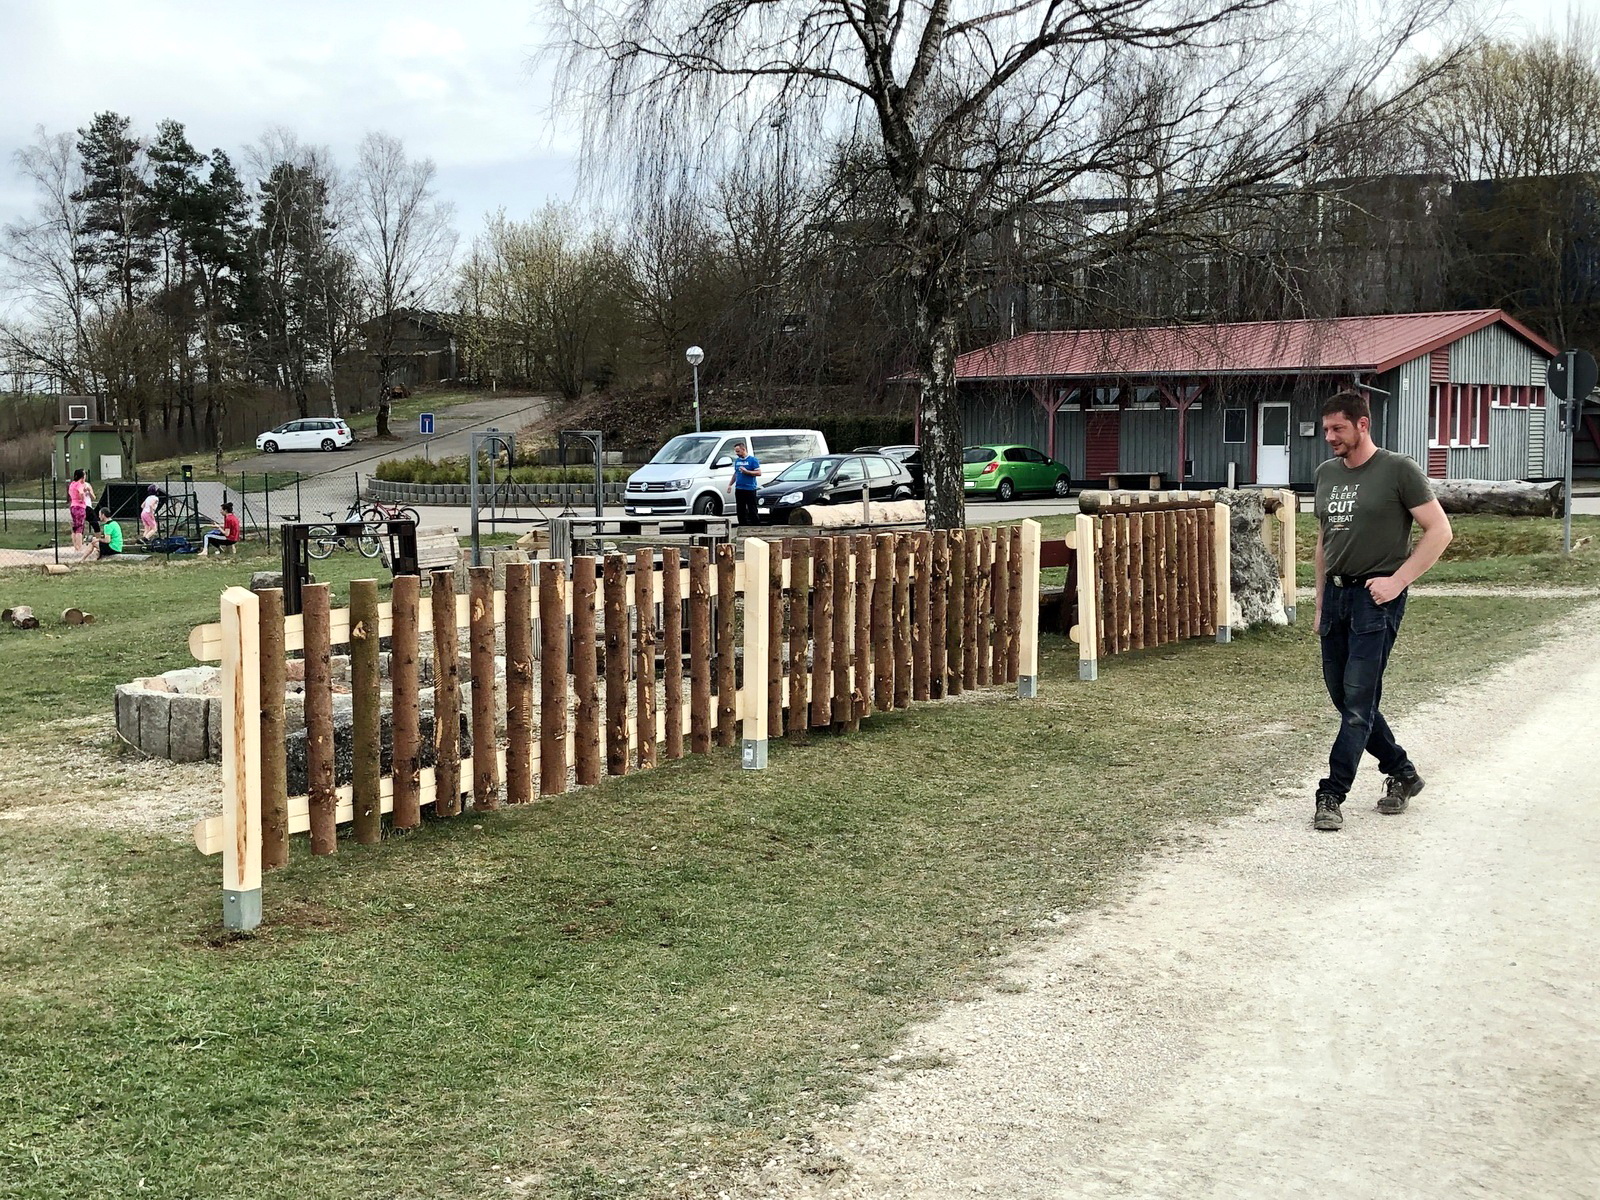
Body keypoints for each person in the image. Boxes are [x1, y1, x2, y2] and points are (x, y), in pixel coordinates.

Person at [1312, 390, 1453, 832]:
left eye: (1338, 429)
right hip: (1336, 599)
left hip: (1376, 600)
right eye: (1326, 430)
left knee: (1357, 704)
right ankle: (1403, 773)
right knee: (1346, 698)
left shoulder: (1398, 470)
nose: (1330, 437)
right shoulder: (1326, 473)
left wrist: (1398, 581)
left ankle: (1331, 794)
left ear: (1362, 424)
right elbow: (1323, 542)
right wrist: (1318, 602)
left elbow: (1440, 531)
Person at [731, 440, 762, 525]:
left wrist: (747, 472)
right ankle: (742, 526)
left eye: (738, 451)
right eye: (735, 451)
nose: (736, 453)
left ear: (743, 449)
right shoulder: (737, 461)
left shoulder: (753, 460)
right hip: (739, 488)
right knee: (740, 509)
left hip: (750, 488)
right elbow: (736, 473)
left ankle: (755, 526)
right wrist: (730, 484)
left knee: (752, 508)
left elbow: (758, 473)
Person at [67, 469, 95, 553]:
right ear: (82, 477)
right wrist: (82, 499)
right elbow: (81, 493)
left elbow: (70, 493)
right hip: (80, 507)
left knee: (75, 527)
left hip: (73, 506)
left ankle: (75, 546)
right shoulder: (80, 485)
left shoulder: (72, 484)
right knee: (80, 528)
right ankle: (79, 547)